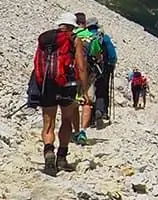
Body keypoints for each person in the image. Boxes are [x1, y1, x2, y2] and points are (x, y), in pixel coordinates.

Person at [28, 14, 87, 174]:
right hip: (67, 85)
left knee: (48, 123)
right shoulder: (74, 39)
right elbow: (81, 66)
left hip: (47, 84)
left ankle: (48, 152)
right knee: (67, 120)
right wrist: (84, 89)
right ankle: (62, 157)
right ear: (72, 26)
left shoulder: (45, 39)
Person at [72, 15, 105, 140]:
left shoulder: (71, 35)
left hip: (72, 73)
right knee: (87, 101)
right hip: (88, 73)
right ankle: (82, 131)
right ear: (84, 23)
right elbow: (97, 54)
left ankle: (74, 131)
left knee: (74, 102)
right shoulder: (92, 36)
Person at [90, 20, 118, 127]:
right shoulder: (103, 37)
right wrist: (111, 64)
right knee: (102, 88)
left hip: (87, 68)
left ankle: (89, 116)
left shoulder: (84, 36)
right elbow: (112, 54)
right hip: (103, 68)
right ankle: (101, 110)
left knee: (89, 91)